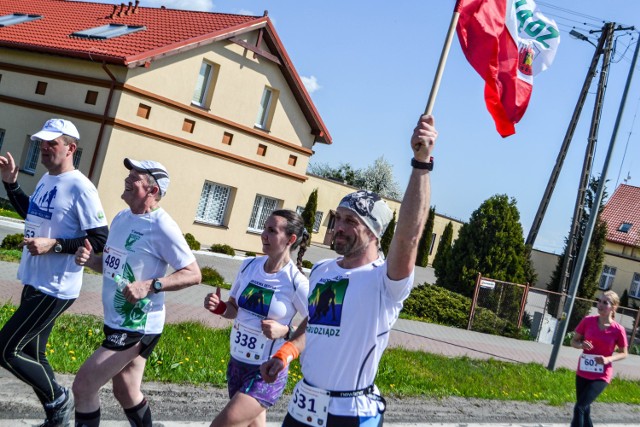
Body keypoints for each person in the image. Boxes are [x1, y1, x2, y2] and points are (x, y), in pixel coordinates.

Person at [261, 114, 438, 427]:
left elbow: (409, 235)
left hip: (351, 414)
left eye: (350, 221)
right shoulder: (323, 270)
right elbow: (315, 323)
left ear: (373, 232)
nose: (338, 228)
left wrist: (421, 162)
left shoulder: (385, 280)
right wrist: (286, 352)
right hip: (302, 408)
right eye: (337, 218)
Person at [72, 158, 202, 427]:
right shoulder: (121, 217)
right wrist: (91, 260)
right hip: (116, 320)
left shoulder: (162, 225)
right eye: (128, 175)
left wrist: (150, 285)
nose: (127, 180)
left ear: (152, 191)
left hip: (138, 324)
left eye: (135, 178)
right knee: (126, 391)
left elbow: (193, 273)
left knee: (84, 386)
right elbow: (113, 267)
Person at [0, 118, 108, 427]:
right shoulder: (48, 179)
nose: (44, 149)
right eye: (42, 144)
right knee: (34, 352)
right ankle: (56, 419)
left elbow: (100, 238)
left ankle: (59, 400)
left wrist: (54, 245)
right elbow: (31, 214)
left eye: (52, 144)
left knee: (6, 349)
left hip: (56, 287)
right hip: (34, 279)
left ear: (71, 148)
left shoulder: (81, 187)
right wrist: (11, 184)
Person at [204, 209, 310, 427]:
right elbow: (233, 308)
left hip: (266, 372)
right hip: (237, 363)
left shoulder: (296, 281)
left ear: (290, 239)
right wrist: (220, 307)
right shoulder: (249, 265)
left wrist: (286, 332)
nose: (264, 235)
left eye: (272, 231)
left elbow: (317, 324)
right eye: (264, 229)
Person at [569, 290, 628, 427]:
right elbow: (573, 341)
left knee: (579, 408)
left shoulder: (618, 329)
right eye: (599, 301)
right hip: (583, 370)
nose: (600, 305)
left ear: (613, 307)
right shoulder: (588, 321)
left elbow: (624, 353)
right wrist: (580, 345)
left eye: (605, 302)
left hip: (601, 375)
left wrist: (608, 359)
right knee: (585, 409)